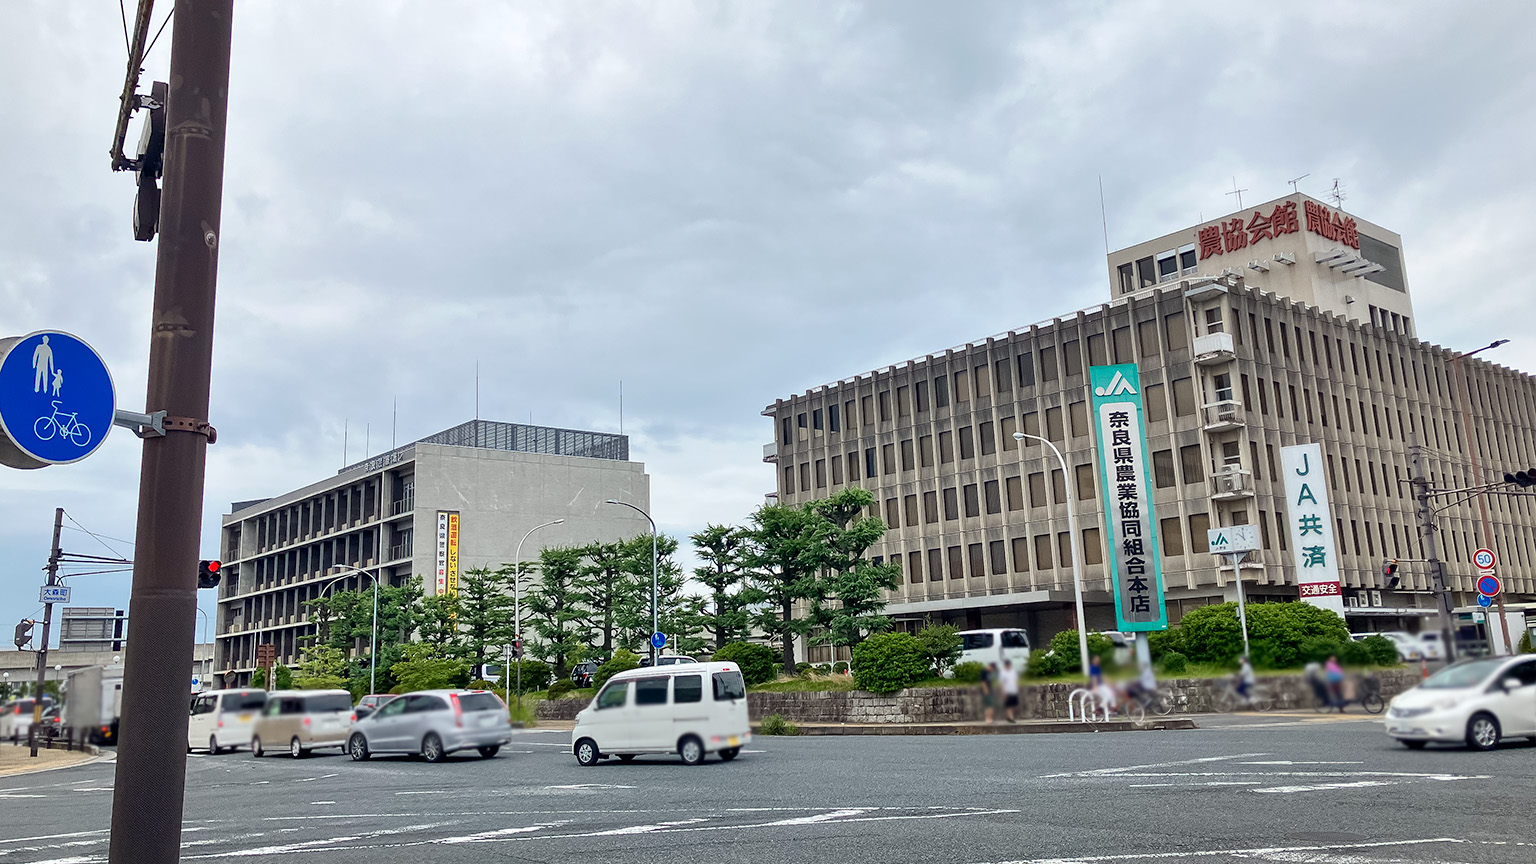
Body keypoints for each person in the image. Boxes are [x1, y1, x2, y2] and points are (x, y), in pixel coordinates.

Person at [1001, 658, 1020, 723]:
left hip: (1014, 690)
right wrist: (1003, 692)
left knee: (1013, 704)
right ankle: (1011, 717)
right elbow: (1002, 683)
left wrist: (1017, 688)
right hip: (1007, 691)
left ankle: (1009, 716)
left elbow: (1016, 681)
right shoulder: (1003, 673)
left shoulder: (1013, 672)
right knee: (1008, 705)